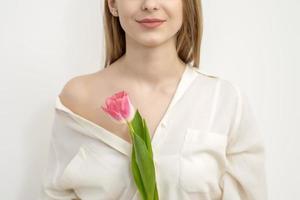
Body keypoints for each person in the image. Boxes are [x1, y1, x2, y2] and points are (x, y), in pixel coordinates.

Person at [40, 0, 268, 199]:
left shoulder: (225, 101)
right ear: (112, 4)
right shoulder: (79, 98)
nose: (150, 4)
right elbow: (56, 193)